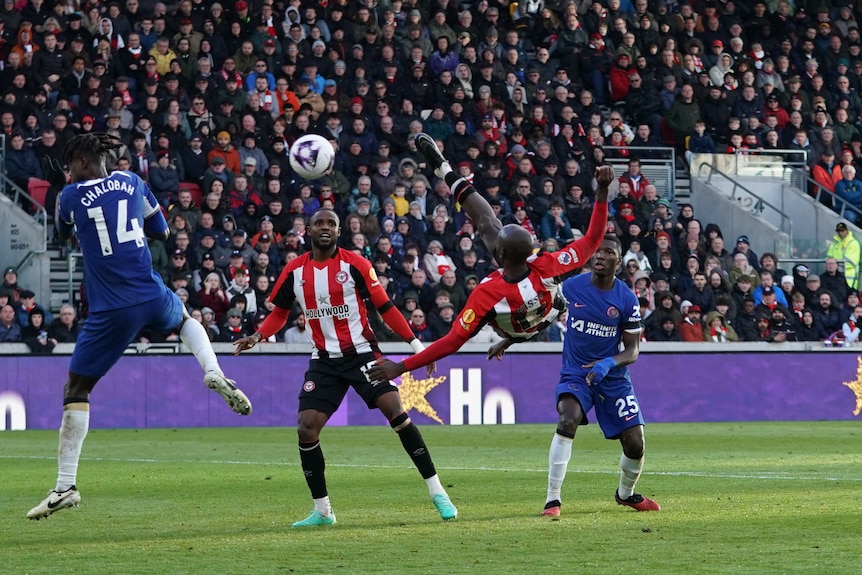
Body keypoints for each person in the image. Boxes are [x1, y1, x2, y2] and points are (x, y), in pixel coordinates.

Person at [27, 133, 252, 521]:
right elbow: (162, 232)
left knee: (76, 389)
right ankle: (213, 370)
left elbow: (63, 235)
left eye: (70, 165)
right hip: (149, 290)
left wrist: (69, 200)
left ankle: (65, 487)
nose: (69, 171)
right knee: (184, 319)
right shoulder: (132, 182)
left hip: (111, 307)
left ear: (82, 160)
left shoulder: (70, 196)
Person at [232, 208, 457, 527]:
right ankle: (322, 511)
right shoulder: (295, 271)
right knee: (306, 426)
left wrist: (418, 348)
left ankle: (438, 493)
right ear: (307, 231)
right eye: (319, 223)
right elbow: (281, 312)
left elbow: (386, 309)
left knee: (396, 412)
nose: (325, 228)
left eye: (331, 224)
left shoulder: (356, 265)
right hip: (324, 361)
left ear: (339, 231)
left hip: (361, 353)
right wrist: (258, 335)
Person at [368, 134, 611, 380]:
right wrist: (601, 191)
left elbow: (451, 342)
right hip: (544, 313)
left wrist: (401, 367)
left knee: (489, 225)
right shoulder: (546, 265)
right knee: (490, 225)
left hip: (523, 323)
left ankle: (446, 171)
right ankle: (446, 171)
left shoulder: (486, 295)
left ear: (500, 255)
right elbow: (592, 240)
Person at [538, 234, 659, 516]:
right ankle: (552, 500)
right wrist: (508, 340)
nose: (601, 256)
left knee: (636, 443)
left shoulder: (626, 299)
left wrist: (607, 363)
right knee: (569, 418)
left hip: (612, 378)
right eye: (598, 251)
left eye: (608, 253)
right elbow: (542, 318)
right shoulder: (571, 287)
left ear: (619, 262)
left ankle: (625, 494)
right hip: (576, 373)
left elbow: (632, 351)